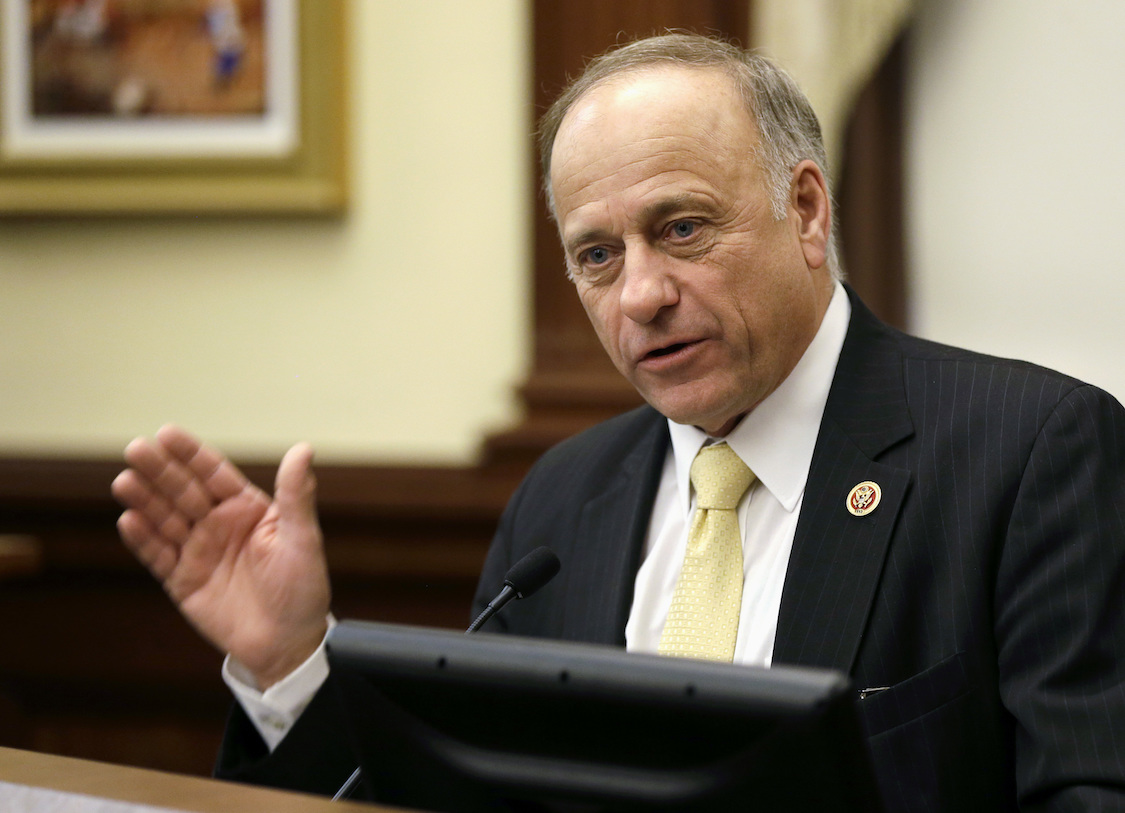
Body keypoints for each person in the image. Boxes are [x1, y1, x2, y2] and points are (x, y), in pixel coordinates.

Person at [112, 34, 1125, 811]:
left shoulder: (1028, 452)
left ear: (808, 210)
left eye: (681, 229)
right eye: (597, 255)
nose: (641, 294)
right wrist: (292, 662)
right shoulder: (562, 502)